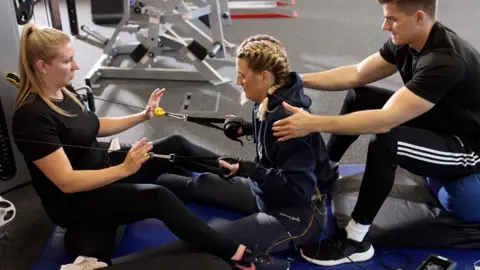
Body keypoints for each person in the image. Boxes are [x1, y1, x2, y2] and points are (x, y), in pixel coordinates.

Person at [11, 23, 289, 270]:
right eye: (67, 61)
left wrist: (141, 116)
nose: (76, 66)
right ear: (42, 66)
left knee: (174, 143)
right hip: (77, 199)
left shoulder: (63, 89)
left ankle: (246, 176)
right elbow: (67, 182)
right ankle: (236, 253)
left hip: (103, 168)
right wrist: (125, 169)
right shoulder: (31, 117)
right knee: (158, 196)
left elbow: (92, 124)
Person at [270, 0, 480, 266]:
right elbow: (356, 74)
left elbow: (384, 121)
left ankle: (356, 241)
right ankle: (326, 173)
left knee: (388, 140)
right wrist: (295, 79)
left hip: (468, 150)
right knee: (361, 96)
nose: (384, 26)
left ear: (418, 17)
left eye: (392, 19)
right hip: (441, 124)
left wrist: (312, 123)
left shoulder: (445, 59)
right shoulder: (409, 40)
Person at [153, 34, 338, 260]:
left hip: (296, 215)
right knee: (201, 183)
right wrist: (249, 129)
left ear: (265, 77)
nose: (238, 81)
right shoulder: (269, 98)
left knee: (208, 238)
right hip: (266, 194)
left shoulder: (288, 122)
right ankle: (133, 187)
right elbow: (272, 139)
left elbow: (299, 191)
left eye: (242, 75)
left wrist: (249, 170)